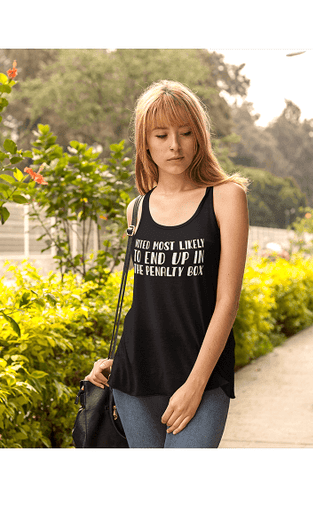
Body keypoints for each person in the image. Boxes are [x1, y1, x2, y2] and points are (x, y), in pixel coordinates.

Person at [85, 80, 249, 448]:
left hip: (202, 378)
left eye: (186, 133)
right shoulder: (137, 209)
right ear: (145, 142)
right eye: (161, 135)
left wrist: (195, 385)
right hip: (134, 377)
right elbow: (146, 301)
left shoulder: (226, 198)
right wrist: (116, 360)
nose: (174, 145)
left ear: (200, 137)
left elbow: (227, 304)